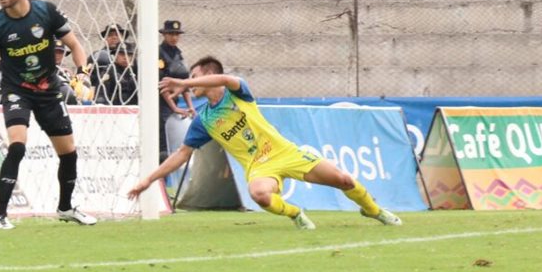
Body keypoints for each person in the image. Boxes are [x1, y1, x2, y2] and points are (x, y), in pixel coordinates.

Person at [127, 56, 403, 230]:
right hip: (259, 167)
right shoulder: (205, 120)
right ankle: (296, 214)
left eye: (196, 77)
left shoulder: (237, 92)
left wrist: (183, 83)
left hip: (285, 153)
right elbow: (181, 155)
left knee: (343, 180)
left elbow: (225, 79)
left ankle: (374, 211)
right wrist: (149, 180)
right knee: (259, 194)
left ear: (210, 75)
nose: (192, 82)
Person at [0, 0, 98, 229]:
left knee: (69, 153)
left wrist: (82, 74)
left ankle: (65, 208)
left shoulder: (46, 12)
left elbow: (75, 46)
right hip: (16, 91)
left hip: (49, 91)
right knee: (17, 145)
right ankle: (1, 216)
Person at [158, 20, 195, 164]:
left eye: (177, 34)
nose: (174, 37)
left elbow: (184, 83)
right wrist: (174, 108)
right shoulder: (159, 54)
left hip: (175, 103)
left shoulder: (178, 54)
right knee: (162, 142)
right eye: (171, 34)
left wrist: (190, 105)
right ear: (164, 35)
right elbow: (162, 84)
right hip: (161, 105)